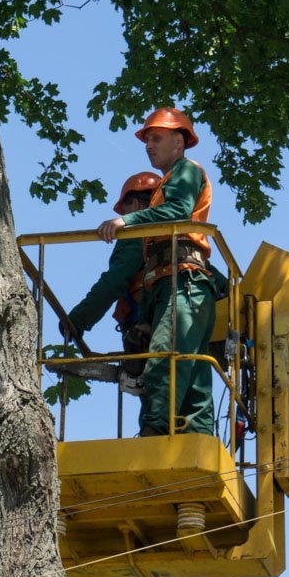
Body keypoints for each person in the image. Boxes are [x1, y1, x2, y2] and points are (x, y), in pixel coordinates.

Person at [97, 107, 216, 437]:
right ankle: (197, 439)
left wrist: (127, 221)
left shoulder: (187, 171)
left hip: (184, 281)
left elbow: (178, 210)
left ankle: (154, 433)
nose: (149, 145)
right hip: (171, 282)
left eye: (156, 138)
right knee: (193, 373)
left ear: (178, 142)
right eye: (147, 139)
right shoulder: (167, 183)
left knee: (166, 359)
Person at [62, 172, 160, 390]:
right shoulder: (178, 234)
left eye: (123, 211)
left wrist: (77, 320)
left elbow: (113, 282)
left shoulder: (137, 233)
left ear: (134, 204)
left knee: (157, 400)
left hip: (151, 322)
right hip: (179, 319)